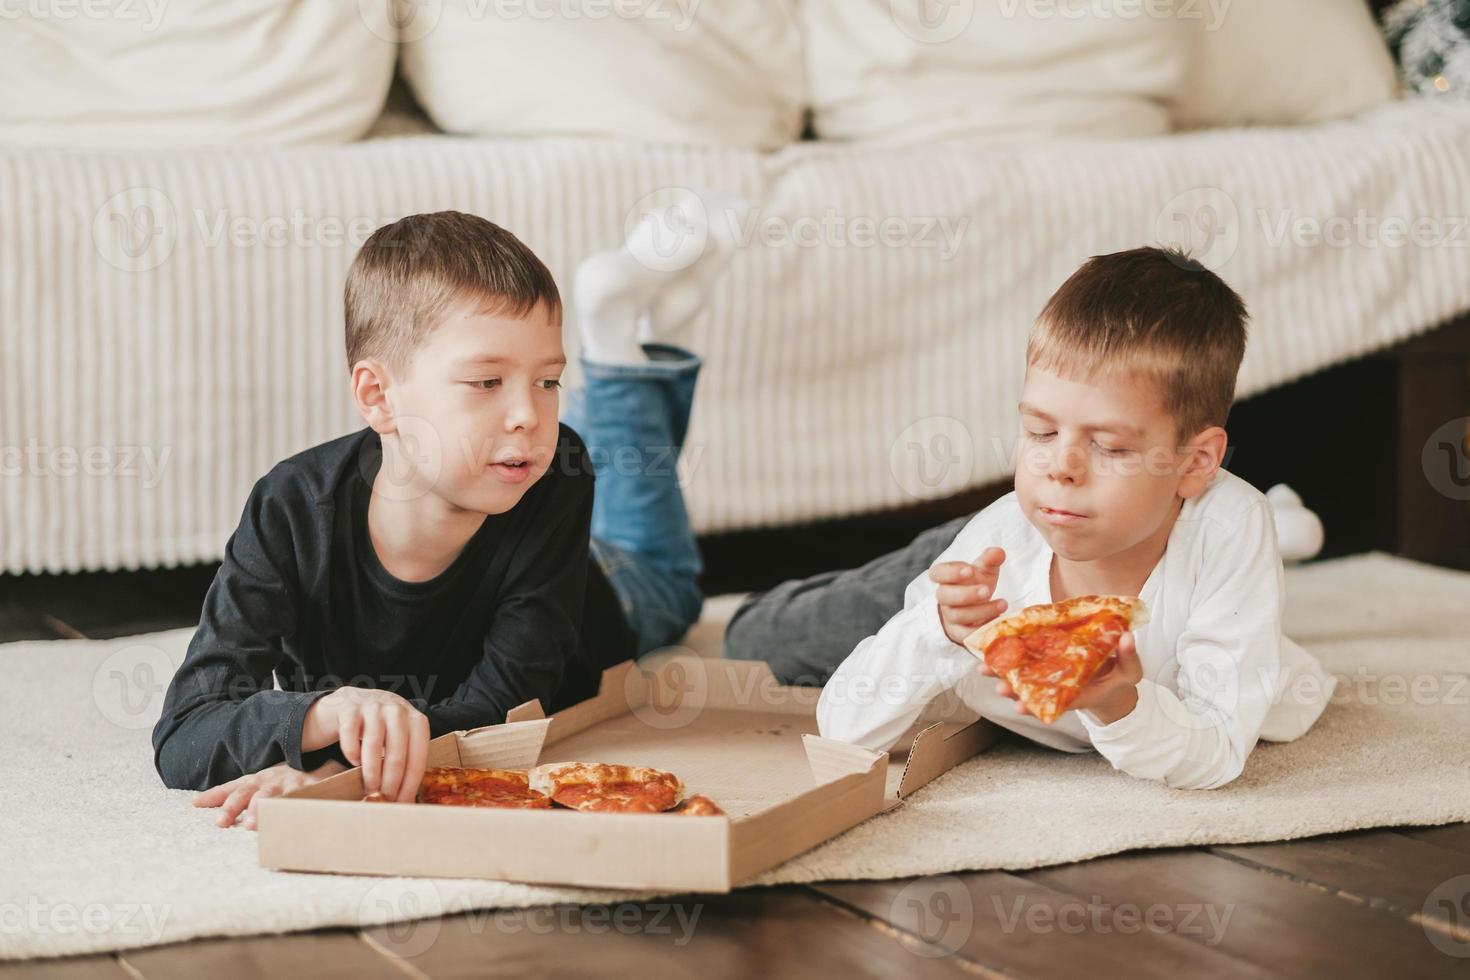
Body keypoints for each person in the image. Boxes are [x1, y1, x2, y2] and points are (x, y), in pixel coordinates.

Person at [153, 204, 734, 828]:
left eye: (548, 382)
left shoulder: (558, 476)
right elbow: (186, 731)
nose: (529, 413)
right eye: (486, 381)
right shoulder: (292, 510)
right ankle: (628, 338)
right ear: (379, 396)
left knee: (665, 581)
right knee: (548, 456)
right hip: (525, 501)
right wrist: (329, 714)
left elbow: (507, 711)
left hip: (611, 597)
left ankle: (619, 337)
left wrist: (340, 769)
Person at [726, 247, 1336, 790]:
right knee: (756, 640)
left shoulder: (1228, 530)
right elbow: (845, 730)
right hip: (1004, 548)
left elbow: (1217, 751)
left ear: (1196, 462)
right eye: (1039, 432)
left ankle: (1278, 530)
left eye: (1111, 447)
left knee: (1234, 539)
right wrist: (937, 628)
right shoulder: (996, 548)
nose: (1060, 466)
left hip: (1115, 528)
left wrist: (1119, 705)